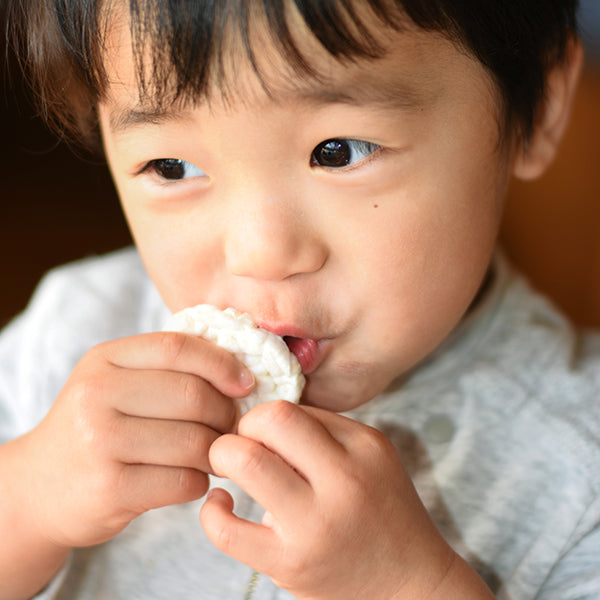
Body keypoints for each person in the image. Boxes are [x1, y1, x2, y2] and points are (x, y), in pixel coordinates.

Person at [1, 1, 598, 598]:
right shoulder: (68, 339)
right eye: (172, 165)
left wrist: (407, 587)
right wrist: (29, 498)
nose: (259, 254)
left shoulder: (581, 473)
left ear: (539, 106)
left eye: (338, 151)